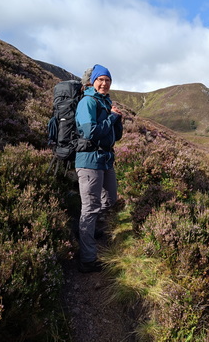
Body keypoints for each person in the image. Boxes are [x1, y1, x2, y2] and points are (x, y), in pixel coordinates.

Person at [75, 64, 123, 273]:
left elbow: (116, 136)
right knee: (90, 207)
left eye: (108, 80)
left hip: (105, 160)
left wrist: (117, 119)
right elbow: (90, 132)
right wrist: (111, 118)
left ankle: (89, 230)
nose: (104, 83)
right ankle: (87, 259)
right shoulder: (87, 102)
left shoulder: (106, 102)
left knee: (111, 199)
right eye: (101, 79)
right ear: (92, 82)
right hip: (89, 161)